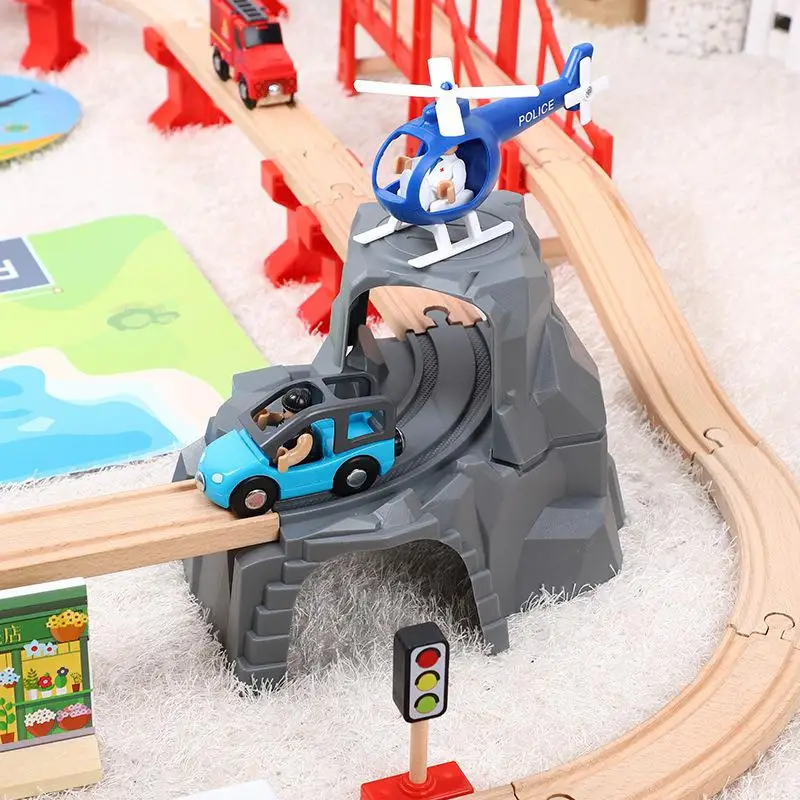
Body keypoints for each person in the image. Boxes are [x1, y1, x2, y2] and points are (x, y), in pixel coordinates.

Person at [254, 387, 317, 473]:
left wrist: (286, 458)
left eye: (285, 411)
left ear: (299, 415)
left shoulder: (305, 436)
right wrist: (265, 417)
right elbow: (276, 418)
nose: (283, 413)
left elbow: (300, 452)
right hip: (273, 449)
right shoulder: (287, 418)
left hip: (297, 466)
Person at [394, 146, 474, 213]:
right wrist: (409, 162)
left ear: (456, 147)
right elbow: (420, 161)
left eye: (449, 145)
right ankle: (406, 197)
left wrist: (450, 190)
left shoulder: (456, 163)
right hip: (423, 188)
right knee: (408, 176)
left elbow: (459, 181)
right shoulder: (431, 157)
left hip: (436, 194)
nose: (445, 147)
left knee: (419, 181)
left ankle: (413, 203)